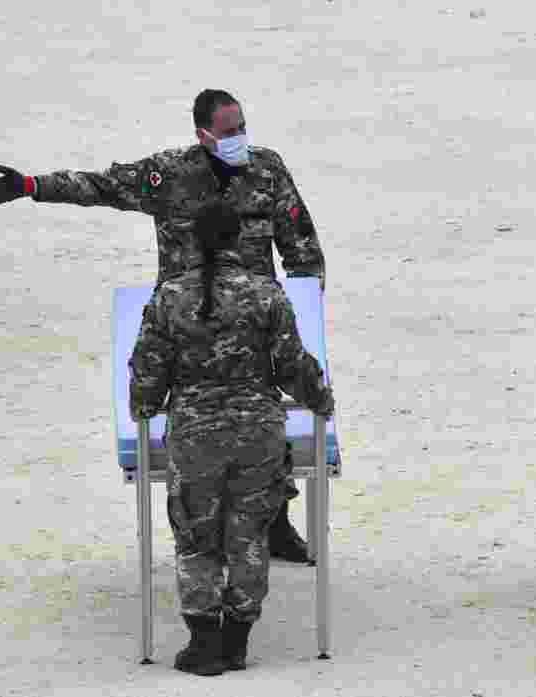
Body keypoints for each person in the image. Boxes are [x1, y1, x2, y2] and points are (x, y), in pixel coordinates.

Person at [0, 89, 324, 562]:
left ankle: (276, 523)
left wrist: (304, 305)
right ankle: (204, 538)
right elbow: (102, 187)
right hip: (189, 323)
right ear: (203, 134)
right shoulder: (169, 175)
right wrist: (32, 185)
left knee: (266, 421)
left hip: (252, 321)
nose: (239, 138)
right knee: (194, 428)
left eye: (242, 126)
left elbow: (298, 239)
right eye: (228, 131)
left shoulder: (267, 170)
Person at [129, 201, 335, 675]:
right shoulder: (266, 294)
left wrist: (142, 406)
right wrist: (321, 400)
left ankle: (202, 642)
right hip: (258, 430)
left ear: (190, 241)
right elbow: (292, 366)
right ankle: (236, 641)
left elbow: (147, 373)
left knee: (197, 538)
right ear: (238, 240)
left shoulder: (169, 297)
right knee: (249, 536)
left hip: (194, 433)